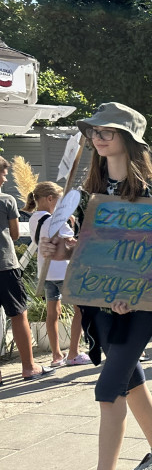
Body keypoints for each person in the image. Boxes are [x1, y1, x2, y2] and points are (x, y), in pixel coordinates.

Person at [40, 103, 152, 470]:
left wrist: (133, 292)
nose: (99, 137)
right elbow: (88, 248)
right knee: (130, 378)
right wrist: (60, 249)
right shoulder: (87, 193)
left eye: (109, 131)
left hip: (140, 308)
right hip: (100, 303)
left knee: (108, 388)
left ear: (129, 139)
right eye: (96, 131)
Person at [0, 158, 53, 382]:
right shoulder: (6, 200)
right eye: (3, 174)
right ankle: (29, 367)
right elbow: (14, 234)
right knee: (18, 314)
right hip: (5, 266)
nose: (4, 179)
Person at [25, 181, 85, 368]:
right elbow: (72, 242)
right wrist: (73, 224)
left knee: (53, 313)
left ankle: (56, 355)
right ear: (50, 199)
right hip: (63, 270)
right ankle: (74, 353)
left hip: (47, 272)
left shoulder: (34, 218)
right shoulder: (54, 220)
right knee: (80, 311)